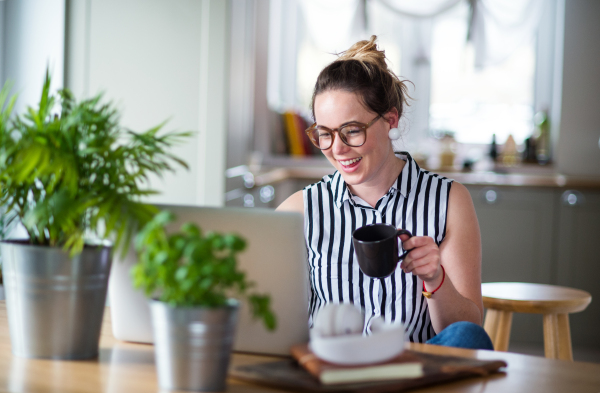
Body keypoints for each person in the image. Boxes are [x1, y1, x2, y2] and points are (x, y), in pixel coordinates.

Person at [277, 36, 492, 350]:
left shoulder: (448, 201)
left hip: (413, 373)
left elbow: (466, 332)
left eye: (352, 130)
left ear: (391, 119)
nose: (337, 149)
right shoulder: (300, 210)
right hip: (334, 373)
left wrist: (435, 278)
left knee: (469, 336)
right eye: (324, 134)